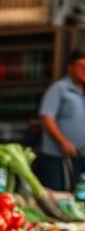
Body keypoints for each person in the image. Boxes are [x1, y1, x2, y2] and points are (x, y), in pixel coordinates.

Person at [37, 49, 85, 191]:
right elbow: (46, 117)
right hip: (56, 157)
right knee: (57, 195)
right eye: (81, 66)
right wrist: (63, 141)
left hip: (79, 156)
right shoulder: (59, 89)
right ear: (70, 67)